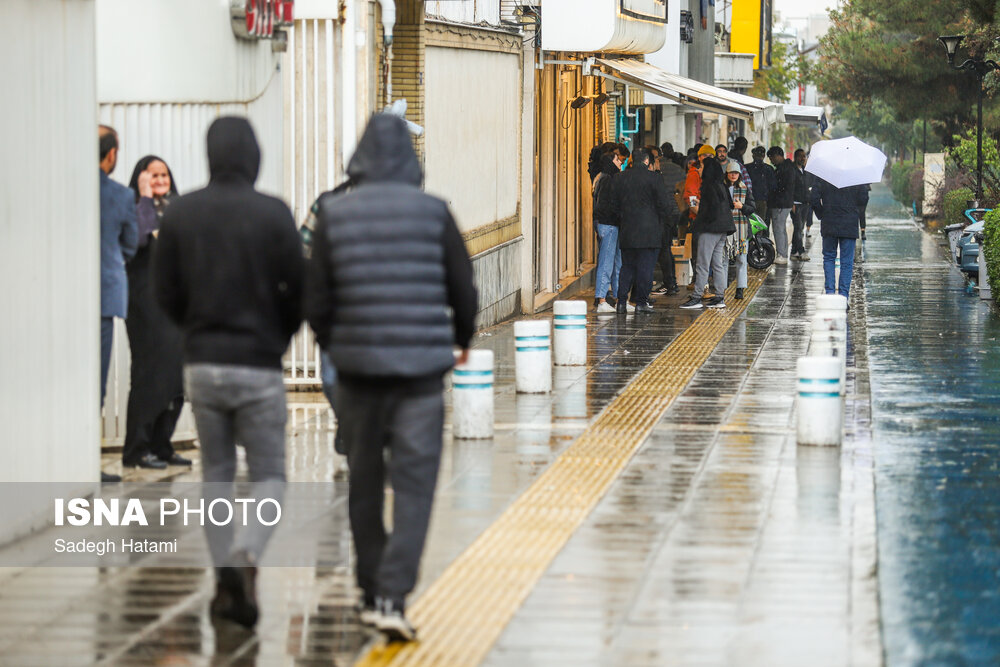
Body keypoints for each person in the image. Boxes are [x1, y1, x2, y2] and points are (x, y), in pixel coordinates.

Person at [305, 113, 478, 643]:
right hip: (420, 377)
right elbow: (463, 288)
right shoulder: (434, 212)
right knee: (414, 487)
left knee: (363, 482)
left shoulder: (334, 214)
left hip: (358, 376)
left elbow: (316, 298)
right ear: (410, 158)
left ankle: (368, 586)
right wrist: (462, 340)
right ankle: (392, 596)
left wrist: (336, 343)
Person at [153, 117, 304, 628]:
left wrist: (194, 331)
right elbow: (298, 290)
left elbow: (165, 291)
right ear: (253, 155)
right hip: (258, 364)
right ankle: (246, 555)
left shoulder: (181, 213)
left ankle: (225, 581)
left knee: (215, 475)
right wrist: (278, 338)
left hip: (202, 364)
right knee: (269, 475)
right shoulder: (273, 213)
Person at [121, 156, 189, 470]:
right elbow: (136, 240)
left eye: (164, 175)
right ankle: (137, 448)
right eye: (153, 175)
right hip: (145, 303)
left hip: (176, 304)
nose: (160, 180)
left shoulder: (178, 209)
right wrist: (146, 198)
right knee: (149, 374)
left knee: (176, 377)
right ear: (141, 179)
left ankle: (162, 444)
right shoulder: (134, 207)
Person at [98, 125, 138, 484]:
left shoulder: (65, 191)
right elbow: (129, 245)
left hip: (63, 297)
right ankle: (87, 461)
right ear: (111, 154)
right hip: (104, 298)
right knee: (95, 379)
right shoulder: (121, 196)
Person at [608, 147, 675, 313]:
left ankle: (621, 302)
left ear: (632, 160)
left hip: (628, 230)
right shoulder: (655, 178)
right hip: (650, 231)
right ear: (646, 161)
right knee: (646, 268)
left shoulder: (619, 178)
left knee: (627, 267)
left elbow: (613, 205)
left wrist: (623, 219)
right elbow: (665, 205)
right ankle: (641, 303)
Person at [680, 159, 734, 310]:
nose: (699, 169)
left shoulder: (708, 186)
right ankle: (719, 297)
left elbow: (708, 212)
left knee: (702, 264)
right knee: (717, 264)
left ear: (708, 169)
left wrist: (698, 213)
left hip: (710, 230)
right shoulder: (721, 185)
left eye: (701, 167)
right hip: (723, 229)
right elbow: (729, 205)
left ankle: (696, 297)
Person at [811, 177, 870, 299]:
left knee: (829, 258)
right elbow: (863, 199)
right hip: (849, 223)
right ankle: (843, 297)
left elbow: (814, 198)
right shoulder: (856, 175)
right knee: (847, 262)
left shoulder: (824, 174)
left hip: (829, 221)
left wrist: (822, 214)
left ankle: (830, 293)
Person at [593, 146, 627, 312]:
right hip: (609, 225)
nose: (620, 162)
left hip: (612, 225)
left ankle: (620, 298)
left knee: (616, 263)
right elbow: (605, 206)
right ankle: (601, 300)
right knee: (607, 262)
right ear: (610, 162)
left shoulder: (606, 178)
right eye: (617, 160)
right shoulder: (608, 180)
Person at [654, 142, 688, 295]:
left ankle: (669, 282)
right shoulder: (678, 170)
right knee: (667, 247)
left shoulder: (656, 172)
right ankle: (671, 282)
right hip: (677, 212)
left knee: (663, 249)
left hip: (661, 214)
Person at [724, 160, 755, 300]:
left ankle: (740, 288)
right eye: (731, 172)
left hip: (741, 230)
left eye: (736, 173)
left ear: (739, 175)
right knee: (723, 259)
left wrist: (742, 206)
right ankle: (722, 288)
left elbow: (752, 208)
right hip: (725, 228)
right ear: (727, 173)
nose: (733, 175)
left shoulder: (745, 189)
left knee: (741, 259)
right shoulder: (722, 188)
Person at [767, 146, 797, 265]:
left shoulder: (784, 169)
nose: (771, 161)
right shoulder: (788, 167)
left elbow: (781, 186)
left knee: (778, 229)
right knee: (781, 228)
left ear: (778, 156)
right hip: (785, 202)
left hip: (780, 203)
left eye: (772, 158)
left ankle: (781, 254)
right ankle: (783, 253)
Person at [790, 148, 811, 261]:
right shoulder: (792, 170)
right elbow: (790, 187)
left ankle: (794, 251)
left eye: (804, 156)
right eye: (800, 156)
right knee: (798, 227)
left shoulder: (804, 171)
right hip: (796, 204)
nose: (803, 158)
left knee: (800, 228)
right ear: (795, 157)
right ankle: (801, 251)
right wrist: (792, 202)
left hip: (805, 203)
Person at [746, 146, 775, 224]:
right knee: (760, 224)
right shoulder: (768, 169)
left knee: (753, 224)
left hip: (753, 200)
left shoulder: (747, 168)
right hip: (761, 200)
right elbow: (772, 187)